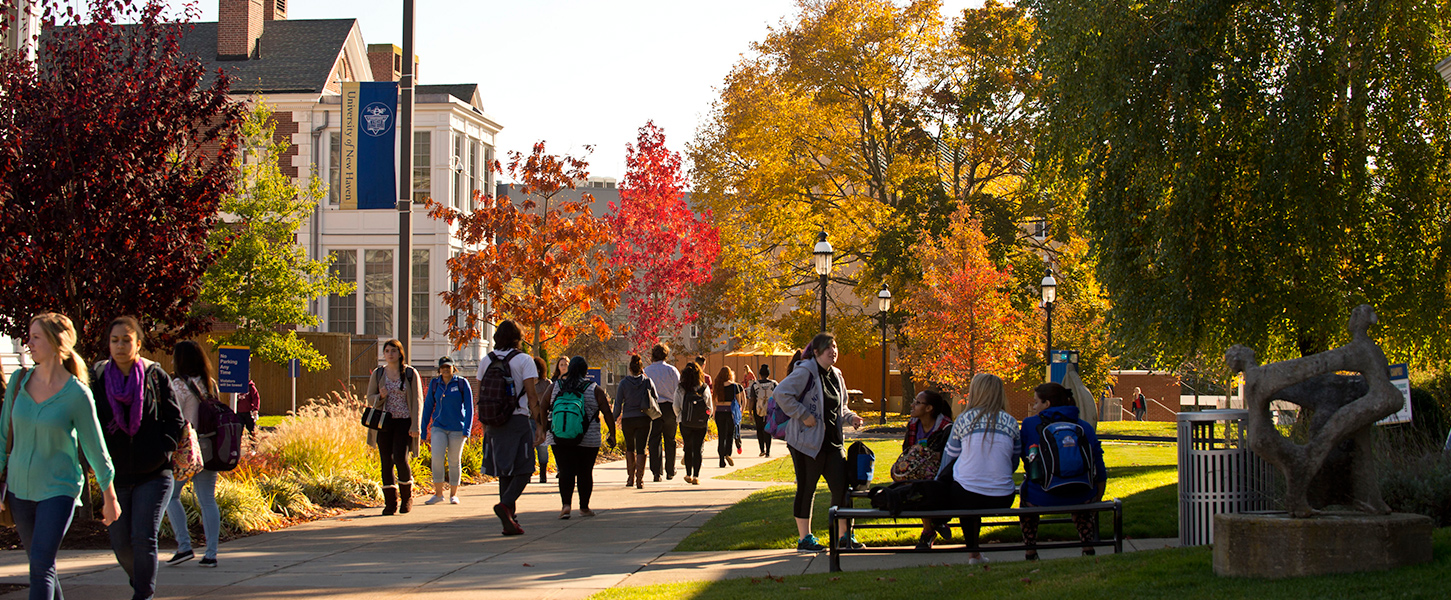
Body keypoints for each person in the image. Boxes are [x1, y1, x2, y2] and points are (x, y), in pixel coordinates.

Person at [0, 313, 120, 600]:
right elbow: (3, 437)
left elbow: (95, 447)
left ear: (56, 343)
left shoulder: (77, 393)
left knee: (40, 566)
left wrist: (110, 496)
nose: (28, 343)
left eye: (35, 337)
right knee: (42, 565)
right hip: (19, 490)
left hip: (58, 490)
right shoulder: (18, 382)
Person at [91, 316, 187, 598]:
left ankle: (143, 594)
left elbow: (175, 420)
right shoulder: (97, 378)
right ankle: (141, 579)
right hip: (114, 475)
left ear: (138, 344)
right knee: (121, 543)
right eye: (115, 340)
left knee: (143, 538)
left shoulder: (155, 376)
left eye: (126, 340)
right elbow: (90, 422)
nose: (120, 346)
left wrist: (163, 450)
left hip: (154, 473)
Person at [773, 333, 864, 552]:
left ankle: (845, 537)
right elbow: (781, 393)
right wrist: (803, 414)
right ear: (816, 352)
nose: (832, 351)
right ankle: (805, 539)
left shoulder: (836, 375)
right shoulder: (805, 371)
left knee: (842, 488)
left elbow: (840, 406)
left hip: (832, 443)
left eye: (834, 346)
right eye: (827, 348)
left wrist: (850, 417)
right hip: (807, 443)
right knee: (807, 488)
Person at [1018, 382, 1108, 560]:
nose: (1034, 407)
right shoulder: (1084, 426)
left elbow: (1024, 457)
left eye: (1036, 402)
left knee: (1025, 496)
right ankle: (1087, 547)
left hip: (1040, 496)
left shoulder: (1030, 424)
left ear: (1047, 404)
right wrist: (1097, 497)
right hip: (1081, 495)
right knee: (1080, 498)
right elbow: (1099, 463)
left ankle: (1030, 550)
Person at [937, 372, 1020, 565]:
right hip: (1003, 496)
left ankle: (973, 553)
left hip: (967, 496)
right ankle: (975, 554)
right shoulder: (1011, 422)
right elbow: (1014, 462)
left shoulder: (963, 420)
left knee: (964, 490)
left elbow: (949, 458)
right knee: (970, 490)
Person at [162, 340, 223, 568]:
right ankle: (211, 553)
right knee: (208, 500)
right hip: (208, 448)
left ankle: (184, 546)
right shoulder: (210, 383)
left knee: (171, 496)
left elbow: (173, 418)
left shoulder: (178, 385)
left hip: (186, 450)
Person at [478, 320, 542, 536]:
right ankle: (506, 505)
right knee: (525, 468)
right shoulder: (524, 360)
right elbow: (532, 396)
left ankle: (510, 520)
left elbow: (481, 394)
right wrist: (540, 425)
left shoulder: (486, 360)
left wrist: (485, 422)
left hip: (494, 421)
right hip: (517, 419)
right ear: (519, 337)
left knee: (505, 469)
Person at [549, 356, 616, 518]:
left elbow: (544, 406)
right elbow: (607, 412)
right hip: (588, 438)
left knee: (565, 470)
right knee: (585, 472)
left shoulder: (556, 386)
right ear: (585, 371)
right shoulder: (594, 388)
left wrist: (541, 427)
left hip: (560, 436)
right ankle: (584, 507)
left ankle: (566, 505)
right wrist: (612, 434)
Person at [365, 339, 423, 516]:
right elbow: (370, 398)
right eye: (387, 351)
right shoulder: (378, 373)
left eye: (393, 351)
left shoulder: (410, 374)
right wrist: (380, 396)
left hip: (404, 421)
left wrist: (415, 425)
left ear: (400, 353)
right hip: (385, 422)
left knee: (400, 457)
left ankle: (406, 497)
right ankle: (390, 503)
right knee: (386, 461)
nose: (390, 354)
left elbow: (417, 401)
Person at [903, 389, 953, 550]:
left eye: (917, 403)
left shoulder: (946, 428)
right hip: (918, 473)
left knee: (923, 485)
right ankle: (935, 524)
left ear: (929, 408)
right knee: (916, 484)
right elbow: (906, 451)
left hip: (941, 475)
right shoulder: (912, 424)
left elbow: (944, 459)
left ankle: (929, 529)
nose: (912, 405)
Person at [421, 356, 473, 505]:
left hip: (457, 428)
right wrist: (423, 429)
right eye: (443, 367)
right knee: (437, 457)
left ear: (453, 368)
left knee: (454, 460)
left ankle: (454, 494)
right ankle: (438, 493)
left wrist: (467, 429)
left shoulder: (462, 383)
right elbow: (428, 407)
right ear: (439, 369)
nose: (445, 370)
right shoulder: (434, 384)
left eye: (448, 367)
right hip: (439, 427)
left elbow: (469, 408)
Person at [613, 354, 658, 489]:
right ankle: (640, 479)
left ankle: (630, 477)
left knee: (629, 447)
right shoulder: (647, 382)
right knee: (642, 448)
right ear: (641, 368)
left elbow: (618, 403)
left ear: (630, 369)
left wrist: (613, 418)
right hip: (644, 417)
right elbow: (655, 398)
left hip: (628, 418)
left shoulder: (624, 383)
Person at [642, 344, 680, 482]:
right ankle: (670, 470)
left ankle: (656, 472)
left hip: (654, 408)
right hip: (670, 407)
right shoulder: (672, 370)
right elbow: (678, 390)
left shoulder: (647, 371)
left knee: (654, 440)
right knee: (670, 439)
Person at [676, 362, 711, 484]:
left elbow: (676, 406)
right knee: (698, 448)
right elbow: (709, 406)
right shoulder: (704, 388)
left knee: (688, 447)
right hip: (701, 422)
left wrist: (680, 415)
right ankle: (696, 476)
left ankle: (688, 474)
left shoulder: (681, 388)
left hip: (685, 421)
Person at [537, 356, 569, 483]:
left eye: (566, 364)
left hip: (570, 416)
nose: (564, 366)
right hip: (555, 416)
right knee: (556, 443)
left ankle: (564, 468)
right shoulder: (554, 382)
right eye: (561, 364)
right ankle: (560, 468)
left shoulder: (575, 381)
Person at [713, 366, 743, 468]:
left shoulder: (717, 386)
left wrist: (714, 412)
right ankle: (727, 454)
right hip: (730, 412)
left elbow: (714, 400)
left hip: (719, 412)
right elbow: (739, 402)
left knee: (721, 436)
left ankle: (721, 459)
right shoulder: (735, 386)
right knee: (730, 434)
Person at [748, 364, 778, 457]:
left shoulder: (755, 385)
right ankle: (768, 451)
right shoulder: (774, 384)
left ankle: (762, 449)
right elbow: (778, 397)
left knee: (759, 429)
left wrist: (749, 412)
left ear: (760, 374)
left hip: (758, 410)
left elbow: (752, 399)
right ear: (768, 374)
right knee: (768, 429)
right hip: (770, 410)